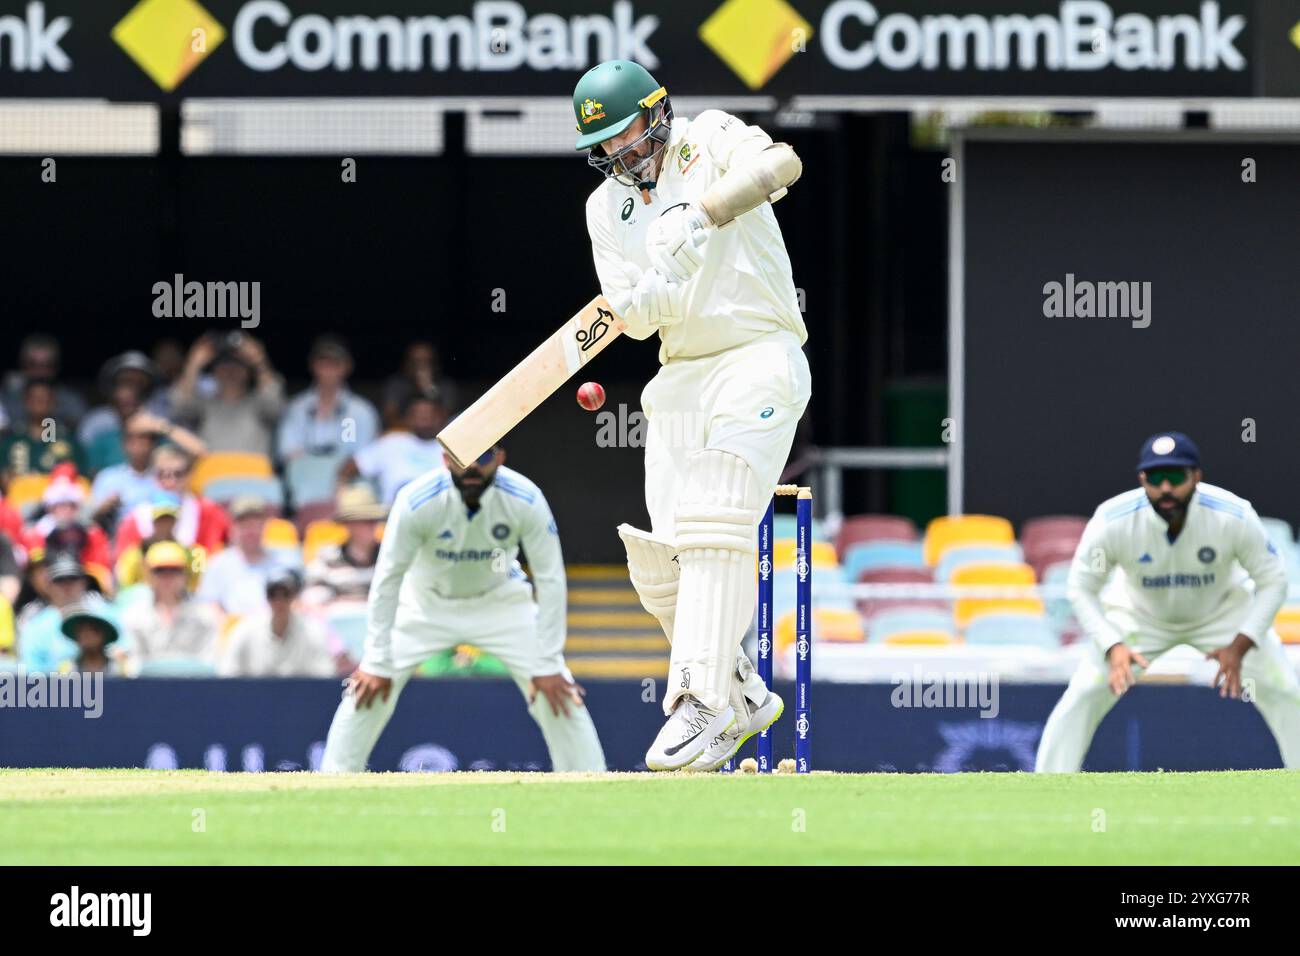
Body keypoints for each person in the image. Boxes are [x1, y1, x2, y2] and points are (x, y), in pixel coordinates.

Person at [574, 60, 808, 770]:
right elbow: (636, 319)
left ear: (659, 113)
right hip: (678, 377)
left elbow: (783, 163)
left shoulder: (708, 138)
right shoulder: (602, 210)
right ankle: (742, 694)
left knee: (716, 512)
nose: (623, 155)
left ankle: (699, 702)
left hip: (757, 353)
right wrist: (659, 281)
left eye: (631, 135)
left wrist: (699, 213)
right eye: (607, 147)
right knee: (659, 561)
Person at [320, 447, 605, 773]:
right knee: (370, 685)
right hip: (425, 604)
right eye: (460, 458)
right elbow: (388, 578)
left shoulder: (526, 498)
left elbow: (551, 578)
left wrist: (549, 660)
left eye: (482, 458)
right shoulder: (417, 500)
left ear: (499, 457)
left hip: (501, 603)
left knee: (555, 689)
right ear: (444, 460)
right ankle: (334, 779)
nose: (471, 467)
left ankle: (589, 779)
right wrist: (375, 659)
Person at [1036, 432, 1300, 771]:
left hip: (1223, 615)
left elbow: (1273, 580)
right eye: (1155, 478)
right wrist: (1112, 644)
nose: (1165, 488)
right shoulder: (1112, 520)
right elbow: (1081, 587)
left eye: (1175, 477)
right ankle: (1048, 782)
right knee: (1085, 692)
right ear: (1142, 479)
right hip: (1139, 618)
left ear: (1196, 477)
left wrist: (1242, 643)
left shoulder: (1233, 515)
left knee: (1284, 689)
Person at [171, 333, 284, 458]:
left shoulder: (259, 404)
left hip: (253, 474)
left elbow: (275, 406)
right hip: (211, 473)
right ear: (214, 371)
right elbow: (179, 406)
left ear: (249, 372)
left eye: (238, 365)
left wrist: (259, 361)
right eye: (223, 365)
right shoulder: (204, 405)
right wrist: (193, 364)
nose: (230, 370)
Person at [90, 411, 206, 532]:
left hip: (164, 538)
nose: (139, 446)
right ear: (124, 444)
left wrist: (160, 426)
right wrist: (106, 506)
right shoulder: (108, 477)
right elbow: (91, 521)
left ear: (153, 444)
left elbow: (199, 451)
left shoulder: (165, 474)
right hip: (123, 541)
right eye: (133, 440)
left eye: (145, 440)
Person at [113, 446, 229, 561]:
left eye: (178, 474)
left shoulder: (209, 512)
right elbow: (125, 568)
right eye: (161, 474)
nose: (170, 481)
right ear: (152, 477)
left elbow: (214, 558)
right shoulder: (135, 520)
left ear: (189, 476)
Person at [277, 335, 380, 464]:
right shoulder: (297, 407)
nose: (329, 370)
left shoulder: (360, 411)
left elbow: (364, 456)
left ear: (347, 367)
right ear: (312, 365)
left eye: (335, 364)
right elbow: (286, 451)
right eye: (323, 364)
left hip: (346, 481)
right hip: (304, 478)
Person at [120, 541, 220, 667]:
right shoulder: (134, 617)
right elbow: (135, 663)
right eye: (159, 570)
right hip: (147, 685)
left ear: (186, 575)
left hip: (194, 684)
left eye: (175, 570)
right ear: (148, 575)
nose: (167, 577)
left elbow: (209, 661)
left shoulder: (205, 617)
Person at [219, 568, 333, 677]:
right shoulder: (245, 630)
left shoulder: (312, 631)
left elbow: (325, 673)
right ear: (267, 598)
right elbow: (228, 672)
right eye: (273, 595)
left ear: (293, 597)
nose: (279, 601)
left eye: (285, 594)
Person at [338, 390, 446, 505]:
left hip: (440, 515)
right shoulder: (391, 442)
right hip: (391, 516)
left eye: (430, 414)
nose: (425, 420)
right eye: (419, 415)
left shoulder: (451, 447)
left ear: (441, 416)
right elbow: (350, 467)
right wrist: (342, 491)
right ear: (408, 418)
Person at [196, 495, 299, 617]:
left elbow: (299, 601)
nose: (250, 531)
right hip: (233, 628)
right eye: (244, 525)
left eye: (255, 524)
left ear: (265, 525)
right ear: (233, 527)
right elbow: (209, 605)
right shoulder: (217, 563)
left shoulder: (286, 560)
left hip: (278, 627)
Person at [303, 484, 385, 605]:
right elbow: (313, 602)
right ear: (348, 524)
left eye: (374, 520)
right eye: (365, 520)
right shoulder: (326, 558)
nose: (372, 525)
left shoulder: (390, 556)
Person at [19, 554, 96, 672]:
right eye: (60, 580)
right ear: (49, 585)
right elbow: (31, 671)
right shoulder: (36, 627)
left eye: (72, 578)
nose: (67, 586)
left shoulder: (104, 616)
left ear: (84, 582)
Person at [0, 379, 85, 477]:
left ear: (54, 402)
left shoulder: (68, 441)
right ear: (25, 401)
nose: (39, 402)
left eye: (45, 398)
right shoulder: (10, 441)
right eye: (34, 398)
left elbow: (82, 479)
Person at [1, 334, 87, 429]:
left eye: (47, 365)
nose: (40, 372)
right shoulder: (8, 398)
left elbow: (79, 430)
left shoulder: (70, 400)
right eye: (32, 364)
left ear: (57, 367)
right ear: (22, 366)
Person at [381, 342, 456, 429]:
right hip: (403, 434)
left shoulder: (446, 385)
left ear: (435, 365)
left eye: (426, 361)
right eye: (415, 361)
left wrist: (428, 388)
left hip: (434, 437)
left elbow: (444, 420)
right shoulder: (396, 384)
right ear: (406, 364)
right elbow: (390, 418)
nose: (421, 366)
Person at [61, 597, 124, 674]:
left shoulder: (120, 670)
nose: (87, 635)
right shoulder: (66, 670)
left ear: (105, 634)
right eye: (81, 631)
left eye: (94, 630)